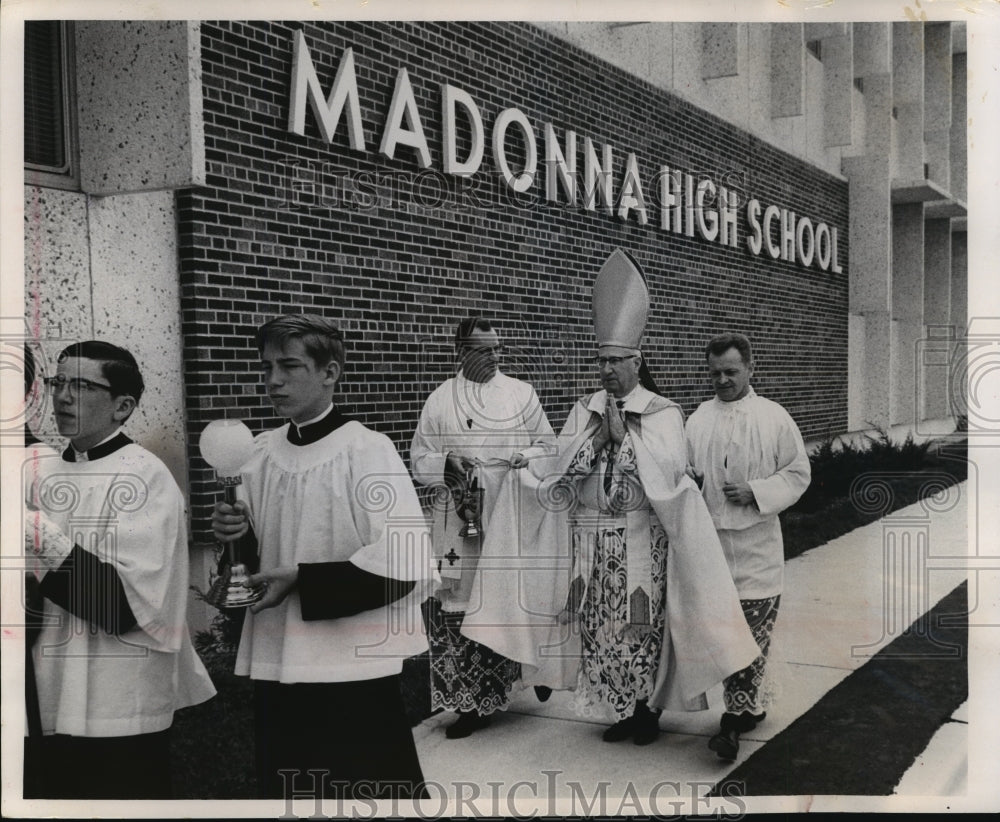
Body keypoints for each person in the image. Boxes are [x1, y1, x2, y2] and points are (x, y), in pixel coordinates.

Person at [470, 249, 760, 746]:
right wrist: (597, 442)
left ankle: (646, 712)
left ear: (636, 362)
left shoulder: (664, 412)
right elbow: (559, 474)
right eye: (600, 360)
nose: (605, 370)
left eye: (615, 361)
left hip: (642, 541)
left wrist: (626, 440)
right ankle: (620, 711)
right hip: (592, 543)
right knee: (598, 630)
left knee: (639, 628)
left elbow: (670, 478)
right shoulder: (584, 409)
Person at [211, 314, 436, 800]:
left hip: (351, 665)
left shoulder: (366, 450)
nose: (272, 380)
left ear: (330, 373)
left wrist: (303, 580)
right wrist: (235, 537)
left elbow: (406, 559)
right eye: (266, 366)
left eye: (289, 366)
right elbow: (252, 557)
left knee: (361, 792)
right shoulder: (260, 453)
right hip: (280, 656)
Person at [23, 341, 216, 799]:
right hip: (50, 684)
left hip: (120, 695)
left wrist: (34, 531)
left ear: (122, 406)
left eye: (82, 385)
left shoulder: (145, 476)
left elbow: (123, 604)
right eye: (58, 382)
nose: (63, 397)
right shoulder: (44, 473)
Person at [410, 317, 556, 739]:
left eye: (498, 348)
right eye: (485, 349)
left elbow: (548, 446)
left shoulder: (520, 394)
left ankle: (528, 672)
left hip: (510, 510)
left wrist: (522, 458)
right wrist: (446, 466)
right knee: (463, 602)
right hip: (459, 517)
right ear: (462, 351)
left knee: (509, 599)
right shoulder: (440, 400)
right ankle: (470, 703)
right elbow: (420, 458)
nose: (496, 355)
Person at [686, 332, 811, 761]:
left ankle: (731, 725)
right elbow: (683, 470)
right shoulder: (699, 418)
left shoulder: (774, 418)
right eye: (715, 372)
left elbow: (797, 473)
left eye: (731, 372)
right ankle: (745, 709)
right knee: (724, 636)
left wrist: (757, 491)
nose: (722, 380)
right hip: (713, 551)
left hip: (757, 552)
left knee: (752, 636)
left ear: (750, 369)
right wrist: (692, 481)